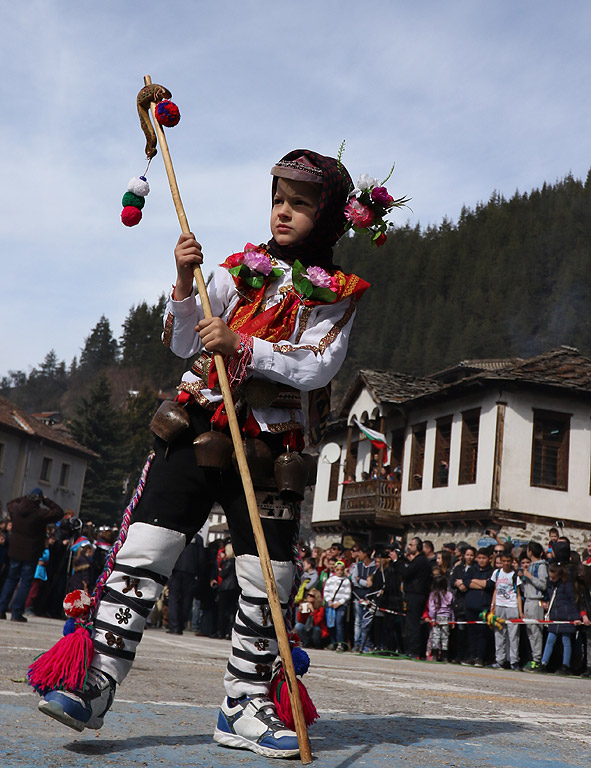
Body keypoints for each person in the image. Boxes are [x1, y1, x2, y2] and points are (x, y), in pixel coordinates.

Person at [37, 148, 368, 759]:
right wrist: (187, 284)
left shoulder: (338, 295)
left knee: (267, 578)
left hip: (271, 449)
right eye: (278, 200)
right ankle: (95, 682)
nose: (283, 213)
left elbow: (319, 367)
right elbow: (184, 340)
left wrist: (244, 345)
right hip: (197, 425)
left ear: (326, 218)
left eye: (299, 204)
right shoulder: (237, 268)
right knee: (145, 549)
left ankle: (243, 706)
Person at [0, 490, 63, 622]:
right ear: (38, 500)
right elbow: (58, 512)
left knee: (11, 579)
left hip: (15, 550)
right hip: (31, 551)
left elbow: (10, 502)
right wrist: (46, 500)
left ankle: (1, 608)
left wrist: (25, 498)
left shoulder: (16, 509)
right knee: (25, 583)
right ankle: (16, 612)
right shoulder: (40, 514)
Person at [540, 564, 581, 674]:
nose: (551, 579)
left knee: (566, 641)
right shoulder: (552, 586)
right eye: (550, 577)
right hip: (555, 617)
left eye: (553, 577)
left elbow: (573, 601)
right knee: (550, 640)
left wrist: (576, 617)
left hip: (566, 617)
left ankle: (565, 665)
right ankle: (544, 663)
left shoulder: (566, 586)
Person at [490, 552, 523, 670]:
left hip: (511, 606)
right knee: (499, 634)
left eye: (508, 561)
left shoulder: (515, 575)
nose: (506, 564)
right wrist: (492, 605)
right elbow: (495, 590)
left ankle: (513, 660)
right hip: (499, 605)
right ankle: (499, 659)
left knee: (513, 635)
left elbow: (518, 594)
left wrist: (520, 611)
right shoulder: (497, 573)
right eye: (504, 561)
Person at [401, 536, 432, 659]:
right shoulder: (417, 561)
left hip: (416, 595)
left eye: (411, 545)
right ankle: (410, 649)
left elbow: (406, 573)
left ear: (418, 547)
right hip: (413, 595)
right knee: (409, 624)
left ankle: (414, 651)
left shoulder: (420, 561)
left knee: (413, 624)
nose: (409, 547)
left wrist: (397, 561)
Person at [463, 548, 494, 667]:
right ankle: (472, 655)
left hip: (483, 606)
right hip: (471, 604)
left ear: (488, 559)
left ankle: (480, 657)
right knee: (471, 632)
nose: (481, 561)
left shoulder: (491, 571)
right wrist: (482, 584)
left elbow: (490, 584)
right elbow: (466, 582)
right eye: (479, 558)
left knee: (482, 633)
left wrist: (476, 583)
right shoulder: (472, 569)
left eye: (484, 558)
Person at [520, 541, 548, 671]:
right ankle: (532, 657)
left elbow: (543, 585)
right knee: (530, 632)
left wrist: (529, 576)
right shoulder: (529, 566)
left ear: (530, 551)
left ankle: (537, 660)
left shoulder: (541, 566)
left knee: (536, 632)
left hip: (536, 601)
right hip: (527, 599)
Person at [349, 543, 378, 652]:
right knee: (357, 621)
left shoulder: (374, 567)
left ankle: (364, 644)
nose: (358, 555)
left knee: (366, 621)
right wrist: (362, 582)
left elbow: (370, 584)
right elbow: (353, 580)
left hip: (368, 598)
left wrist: (359, 580)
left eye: (360, 552)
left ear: (365, 554)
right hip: (358, 597)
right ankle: (357, 643)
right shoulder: (358, 566)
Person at [322, 560, 352, 651]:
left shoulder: (346, 581)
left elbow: (348, 595)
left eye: (341, 569)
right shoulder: (330, 580)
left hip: (340, 605)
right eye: (337, 569)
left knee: (339, 624)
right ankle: (333, 642)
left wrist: (339, 603)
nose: (339, 571)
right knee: (331, 625)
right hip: (331, 604)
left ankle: (340, 643)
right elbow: (326, 591)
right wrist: (329, 601)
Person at [427, 575, 454, 662]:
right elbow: (451, 609)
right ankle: (444, 656)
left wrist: (433, 618)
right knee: (445, 637)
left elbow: (432, 608)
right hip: (446, 618)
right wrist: (452, 620)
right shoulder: (449, 594)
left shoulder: (433, 594)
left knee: (436, 636)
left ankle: (435, 654)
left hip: (437, 617)